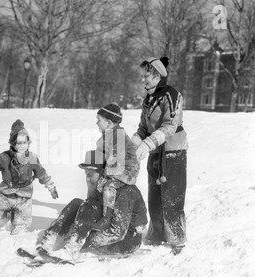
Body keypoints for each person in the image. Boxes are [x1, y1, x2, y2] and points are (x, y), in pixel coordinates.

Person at [36, 150, 148, 259]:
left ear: (103, 172)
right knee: (77, 203)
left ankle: (72, 249)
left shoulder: (124, 191)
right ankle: (50, 241)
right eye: (86, 175)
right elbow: (87, 214)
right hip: (109, 231)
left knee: (89, 205)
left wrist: (89, 240)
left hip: (127, 241)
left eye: (90, 174)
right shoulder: (101, 186)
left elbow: (118, 233)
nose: (87, 179)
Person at [131, 57, 188, 255]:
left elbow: (170, 125)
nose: (143, 80)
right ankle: (156, 235)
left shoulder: (171, 95)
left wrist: (148, 142)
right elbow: (142, 128)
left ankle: (177, 239)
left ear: (157, 75)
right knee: (154, 196)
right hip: (154, 150)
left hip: (173, 151)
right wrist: (135, 143)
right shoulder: (149, 98)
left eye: (146, 76)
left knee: (172, 195)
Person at [0, 119, 59, 235]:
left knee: (21, 224)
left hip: (24, 197)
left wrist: (51, 187)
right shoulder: (4, 157)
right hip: (6, 194)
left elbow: (41, 174)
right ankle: (2, 223)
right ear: (13, 143)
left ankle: (18, 228)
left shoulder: (32, 158)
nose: (22, 146)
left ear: (28, 143)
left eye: (25, 142)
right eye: (19, 143)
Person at [92, 103, 140, 231]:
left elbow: (116, 159)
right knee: (100, 183)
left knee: (109, 186)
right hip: (117, 167)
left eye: (99, 120)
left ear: (108, 122)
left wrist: (106, 173)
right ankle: (98, 209)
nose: (96, 123)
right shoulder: (109, 134)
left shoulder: (117, 135)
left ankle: (107, 218)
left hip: (127, 170)